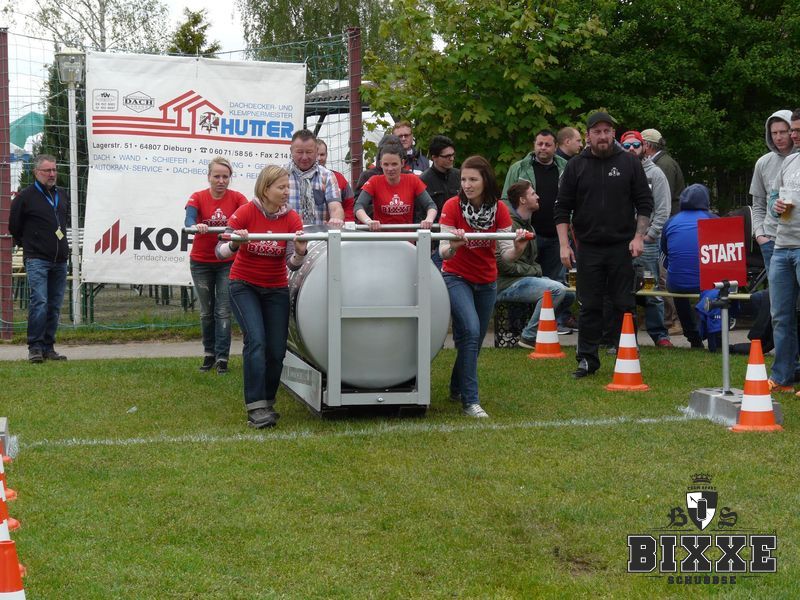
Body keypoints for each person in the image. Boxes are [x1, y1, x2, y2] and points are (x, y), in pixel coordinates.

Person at [553, 111, 653, 378]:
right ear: (588, 136)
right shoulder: (575, 166)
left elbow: (645, 203)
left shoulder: (630, 162)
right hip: (588, 247)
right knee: (589, 304)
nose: (602, 136)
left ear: (613, 134)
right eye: (597, 132)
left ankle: (627, 355)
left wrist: (638, 237)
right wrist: (564, 245)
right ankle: (587, 360)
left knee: (624, 303)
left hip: (622, 246)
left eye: (607, 131)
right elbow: (561, 209)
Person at [217, 165, 308, 428]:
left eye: (287, 187)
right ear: (265, 189)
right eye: (281, 187)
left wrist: (300, 252)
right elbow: (219, 251)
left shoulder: (292, 219)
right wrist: (235, 243)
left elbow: (292, 265)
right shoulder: (246, 212)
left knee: (276, 350)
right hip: (244, 286)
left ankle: (267, 401)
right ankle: (255, 407)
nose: (286, 192)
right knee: (256, 341)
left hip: (276, 288)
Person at [439, 155, 530, 417]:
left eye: (473, 179)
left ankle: (456, 387)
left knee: (474, 340)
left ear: (485, 180)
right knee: (470, 330)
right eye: (463, 179)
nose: (467, 185)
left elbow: (507, 255)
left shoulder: (499, 209)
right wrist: (454, 246)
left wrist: (518, 248)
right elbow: (443, 252)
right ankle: (471, 401)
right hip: (456, 277)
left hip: (487, 281)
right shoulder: (452, 206)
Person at [502, 129, 575, 333]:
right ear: (534, 145)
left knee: (555, 282)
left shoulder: (566, 167)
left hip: (557, 235)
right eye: (539, 144)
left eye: (548, 144)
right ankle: (516, 326)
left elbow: (575, 198)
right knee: (521, 278)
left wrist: (570, 225)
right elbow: (505, 200)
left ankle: (551, 325)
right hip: (526, 234)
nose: (543, 148)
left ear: (555, 147)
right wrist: (513, 226)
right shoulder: (519, 168)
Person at [184, 156, 248, 374]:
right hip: (201, 262)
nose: (221, 181)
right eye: (217, 176)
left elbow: (247, 217)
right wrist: (196, 226)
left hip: (227, 262)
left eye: (225, 177)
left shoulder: (238, 198)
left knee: (222, 310)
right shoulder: (197, 197)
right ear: (209, 177)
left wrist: (241, 228)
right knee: (206, 311)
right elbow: (189, 220)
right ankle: (209, 354)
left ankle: (222, 358)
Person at [496, 180, 573, 349]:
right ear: (522, 200)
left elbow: (531, 262)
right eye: (533, 193)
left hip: (523, 278)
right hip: (505, 284)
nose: (538, 196)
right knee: (556, 290)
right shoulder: (508, 225)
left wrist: (533, 270)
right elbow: (502, 265)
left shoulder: (529, 226)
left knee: (569, 295)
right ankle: (529, 336)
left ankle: (543, 330)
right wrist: (533, 270)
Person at [8, 154, 70, 363]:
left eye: (54, 170)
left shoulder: (62, 194)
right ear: (36, 172)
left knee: (54, 305)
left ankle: (48, 347)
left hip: (60, 260)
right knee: (40, 302)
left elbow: (63, 222)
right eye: (47, 170)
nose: (52, 174)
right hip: (37, 259)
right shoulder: (25, 197)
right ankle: (35, 347)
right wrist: (30, 244)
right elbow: (14, 226)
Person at [620, 130, 672, 347]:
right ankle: (625, 334)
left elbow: (663, 210)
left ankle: (659, 334)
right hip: (621, 241)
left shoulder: (656, 174)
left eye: (636, 145)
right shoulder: (617, 172)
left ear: (644, 147)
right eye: (627, 146)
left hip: (648, 243)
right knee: (622, 288)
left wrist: (649, 235)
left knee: (651, 289)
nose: (632, 149)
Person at [766, 109, 800, 394]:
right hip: (782, 245)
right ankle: (782, 377)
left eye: (797, 131)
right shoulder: (789, 161)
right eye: (793, 130)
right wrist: (776, 207)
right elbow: (775, 200)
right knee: (780, 315)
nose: (793, 135)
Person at [661, 184, 717, 349]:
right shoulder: (714, 219)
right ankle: (714, 337)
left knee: (678, 286)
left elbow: (665, 251)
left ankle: (693, 338)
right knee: (716, 285)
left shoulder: (670, 222)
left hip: (677, 283)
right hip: (707, 283)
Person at [354, 142, 437, 230]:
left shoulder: (412, 180)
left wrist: (429, 219)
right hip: (381, 236)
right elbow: (358, 206)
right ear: (381, 164)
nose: (390, 169)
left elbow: (431, 205)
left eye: (394, 164)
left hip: (407, 237)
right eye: (386, 164)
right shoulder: (374, 181)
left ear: (402, 163)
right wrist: (368, 221)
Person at [751, 110, 795, 271]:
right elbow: (758, 204)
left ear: (792, 131)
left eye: (783, 132)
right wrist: (760, 235)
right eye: (774, 133)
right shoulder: (763, 163)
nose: (778, 137)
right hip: (771, 241)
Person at [284, 129, 344, 227]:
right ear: (291, 151)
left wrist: (336, 219)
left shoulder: (327, 176)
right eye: (299, 152)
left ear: (316, 151)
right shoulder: (280, 174)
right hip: (288, 234)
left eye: (309, 152)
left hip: (318, 234)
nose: (304, 157)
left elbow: (335, 208)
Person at [419, 135, 460, 268]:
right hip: (436, 242)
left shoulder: (460, 176)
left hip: (459, 239)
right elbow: (420, 215)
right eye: (447, 156)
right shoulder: (423, 180)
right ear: (434, 157)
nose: (451, 158)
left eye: (453, 155)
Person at [641, 128, 686, 216]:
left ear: (646, 145)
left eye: (639, 143)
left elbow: (664, 197)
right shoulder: (661, 162)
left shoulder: (664, 165)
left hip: (669, 217)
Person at [316, 138, 356, 221]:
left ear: (327, 155)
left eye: (322, 154)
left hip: (335, 226)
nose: (319, 158)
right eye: (316, 155)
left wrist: (344, 223)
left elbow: (349, 205)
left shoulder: (339, 178)